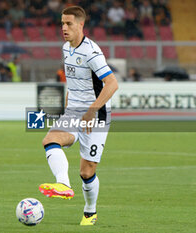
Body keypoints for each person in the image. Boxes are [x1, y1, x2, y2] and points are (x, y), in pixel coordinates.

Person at [38, 6, 118, 226]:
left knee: (87, 171)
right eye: (62, 23)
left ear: (81, 25)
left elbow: (112, 83)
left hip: (96, 116)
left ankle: (90, 212)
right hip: (74, 112)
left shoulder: (91, 52)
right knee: (50, 140)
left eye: (69, 24)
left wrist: (92, 109)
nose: (64, 28)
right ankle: (63, 184)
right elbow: (72, 85)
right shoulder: (66, 48)